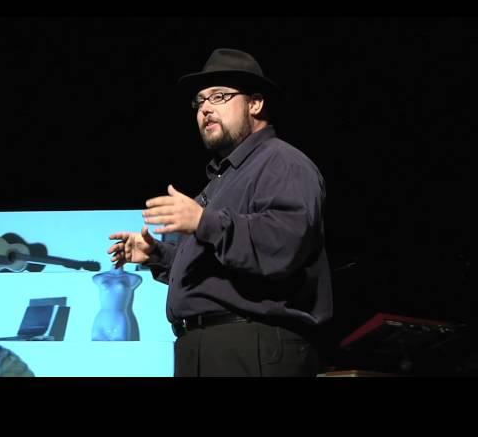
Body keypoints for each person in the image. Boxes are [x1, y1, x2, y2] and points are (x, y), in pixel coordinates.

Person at [108, 48, 333, 377]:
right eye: (200, 102)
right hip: (203, 347)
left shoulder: (282, 162)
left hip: (250, 346)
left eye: (219, 96)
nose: (206, 109)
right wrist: (158, 255)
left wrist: (202, 220)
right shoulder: (222, 179)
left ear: (255, 104)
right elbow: (217, 266)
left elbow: (283, 243)